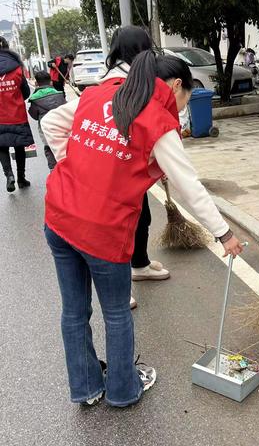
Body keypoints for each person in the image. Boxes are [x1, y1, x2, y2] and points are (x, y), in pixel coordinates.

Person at [41, 49, 243, 407]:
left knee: (74, 310)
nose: (182, 107)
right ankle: (122, 390)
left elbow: (51, 124)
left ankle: (87, 389)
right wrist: (224, 234)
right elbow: (189, 185)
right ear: (176, 85)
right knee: (116, 312)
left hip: (59, 216)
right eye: (185, 98)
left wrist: (73, 169)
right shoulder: (157, 121)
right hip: (102, 229)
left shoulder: (98, 93)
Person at [101, 27, 171, 311]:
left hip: (133, 166)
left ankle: (139, 264)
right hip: (111, 169)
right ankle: (120, 286)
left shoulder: (138, 76)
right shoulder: (113, 81)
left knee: (141, 217)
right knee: (119, 228)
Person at [0, 36, 34, 192]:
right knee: (19, 146)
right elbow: (26, 92)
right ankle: (21, 178)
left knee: (2, 147)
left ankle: (9, 176)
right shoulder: (17, 67)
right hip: (17, 114)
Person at [28, 70, 66, 171]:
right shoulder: (59, 95)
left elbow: (34, 116)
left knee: (49, 149)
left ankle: (53, 172)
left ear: (36, 83)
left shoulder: (35, 99)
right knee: (64, 148)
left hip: (45, 130)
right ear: (51, 82)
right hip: (62, 127)